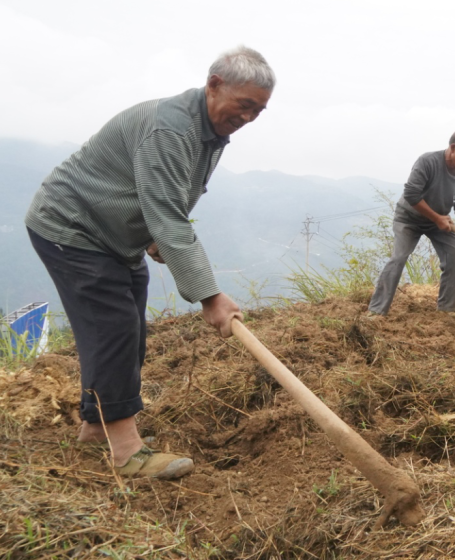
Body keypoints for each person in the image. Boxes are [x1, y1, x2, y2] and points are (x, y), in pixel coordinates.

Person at [25, 46, 274, 479]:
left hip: (114, 236)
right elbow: (169, 214)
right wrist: (210, 296)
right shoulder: (171, 128)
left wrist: (158, 236)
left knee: (131, 331)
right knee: (114, 327)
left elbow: (169, 198)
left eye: (259, 110)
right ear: (215, 85)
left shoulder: (208, 130)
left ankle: (96, 428)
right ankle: (126, 453)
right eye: (245, 105)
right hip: (73, 227)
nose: (250, 118)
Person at [368, 129, 455, 316]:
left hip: (440, 222)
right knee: (398, 258)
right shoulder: (428, 162)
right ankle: (376, 311)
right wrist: (436, 217)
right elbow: (412, 194)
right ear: (453, 147)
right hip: (409, 218)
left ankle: (446, 309)